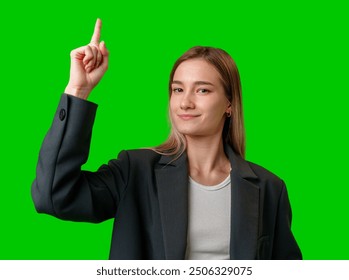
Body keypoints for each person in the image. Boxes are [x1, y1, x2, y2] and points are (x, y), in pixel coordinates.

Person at [31, 19, 302, 260]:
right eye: (178, 89)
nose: (186, 102)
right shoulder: (135, 171)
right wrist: (78, 89)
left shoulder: (269, 188)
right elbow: (53, 196)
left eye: (203, 90)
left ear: (229, 103)